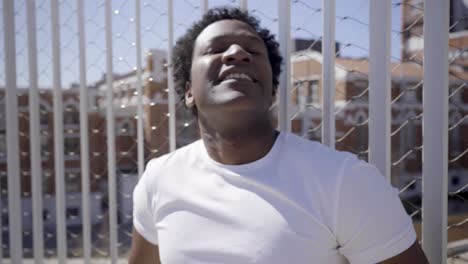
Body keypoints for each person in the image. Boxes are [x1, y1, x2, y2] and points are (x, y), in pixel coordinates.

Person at [129, 7, 428, 264]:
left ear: (271, 91)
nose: (236, 53)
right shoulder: (159, 179)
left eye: (253, 50)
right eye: (216, 49)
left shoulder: (345, 183)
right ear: (188, 91)